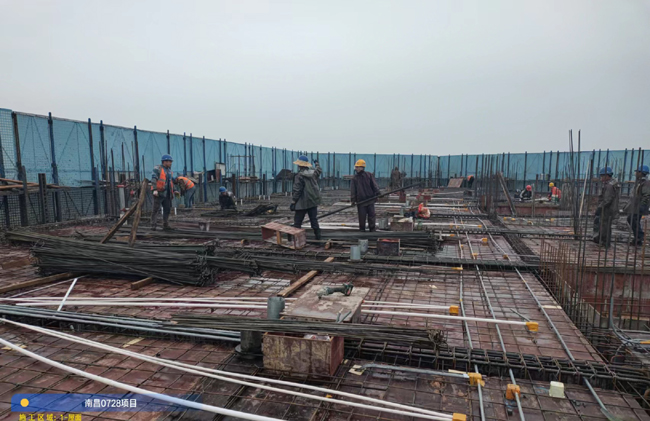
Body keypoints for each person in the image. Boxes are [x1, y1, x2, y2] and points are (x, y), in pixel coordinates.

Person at [291, 155, 322, 239]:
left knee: (297, 222)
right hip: (313, 201)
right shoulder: (313, 173)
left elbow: (297, 190)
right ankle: (318, 238)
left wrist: (293, 202)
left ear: (300, 165)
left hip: (302, 203)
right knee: (314, 220)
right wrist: (317, 163)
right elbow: (319, 170)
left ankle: (296, 240)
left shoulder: (299, 176)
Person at [593, 167, 620, 248]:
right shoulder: (609, 184)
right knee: (604, 225)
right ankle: (603, 240)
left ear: (607, 176)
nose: (601, 178)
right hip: (607, 208)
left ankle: (605, 242)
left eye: (602, 176)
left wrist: (599, 207)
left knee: (605, 226)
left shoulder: (609, 186)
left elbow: (607, 200)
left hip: (607, 209)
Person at [351, 159, 381, 232]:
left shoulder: (369, 175)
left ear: (362, 167)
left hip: (370, 200)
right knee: (362, 217)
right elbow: (353, 191)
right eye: (356, 167)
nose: (356, 168)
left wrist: (378, 192)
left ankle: (372, 230)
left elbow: (374, 185)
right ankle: (362, 231)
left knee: (371, 216)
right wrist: (353, 200)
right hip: (361, 202)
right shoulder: (355, 178)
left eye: (357, 167)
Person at [624, 165, 650, 246]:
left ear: (641, 173)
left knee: (633, 219)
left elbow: (646, 196)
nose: (635, 173)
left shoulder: (646, 183)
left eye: (637, 172)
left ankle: (639, 237)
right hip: (635, 206)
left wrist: (642, 205)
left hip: (639, 206)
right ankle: (638, 238)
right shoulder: (639, 182)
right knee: (632, 220)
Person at [151, 154, 175, 231]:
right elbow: (154, 179)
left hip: (167, 193)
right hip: (159, 193)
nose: (170, 163)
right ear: (164, 162)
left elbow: (170, 182)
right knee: (155, 209)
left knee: (167, 209)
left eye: (171, 162)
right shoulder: (158, 168)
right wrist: (154, 189)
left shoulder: (169, 171)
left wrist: (174, 190)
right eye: (169, 161)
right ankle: (153, 225)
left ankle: (165, 224)